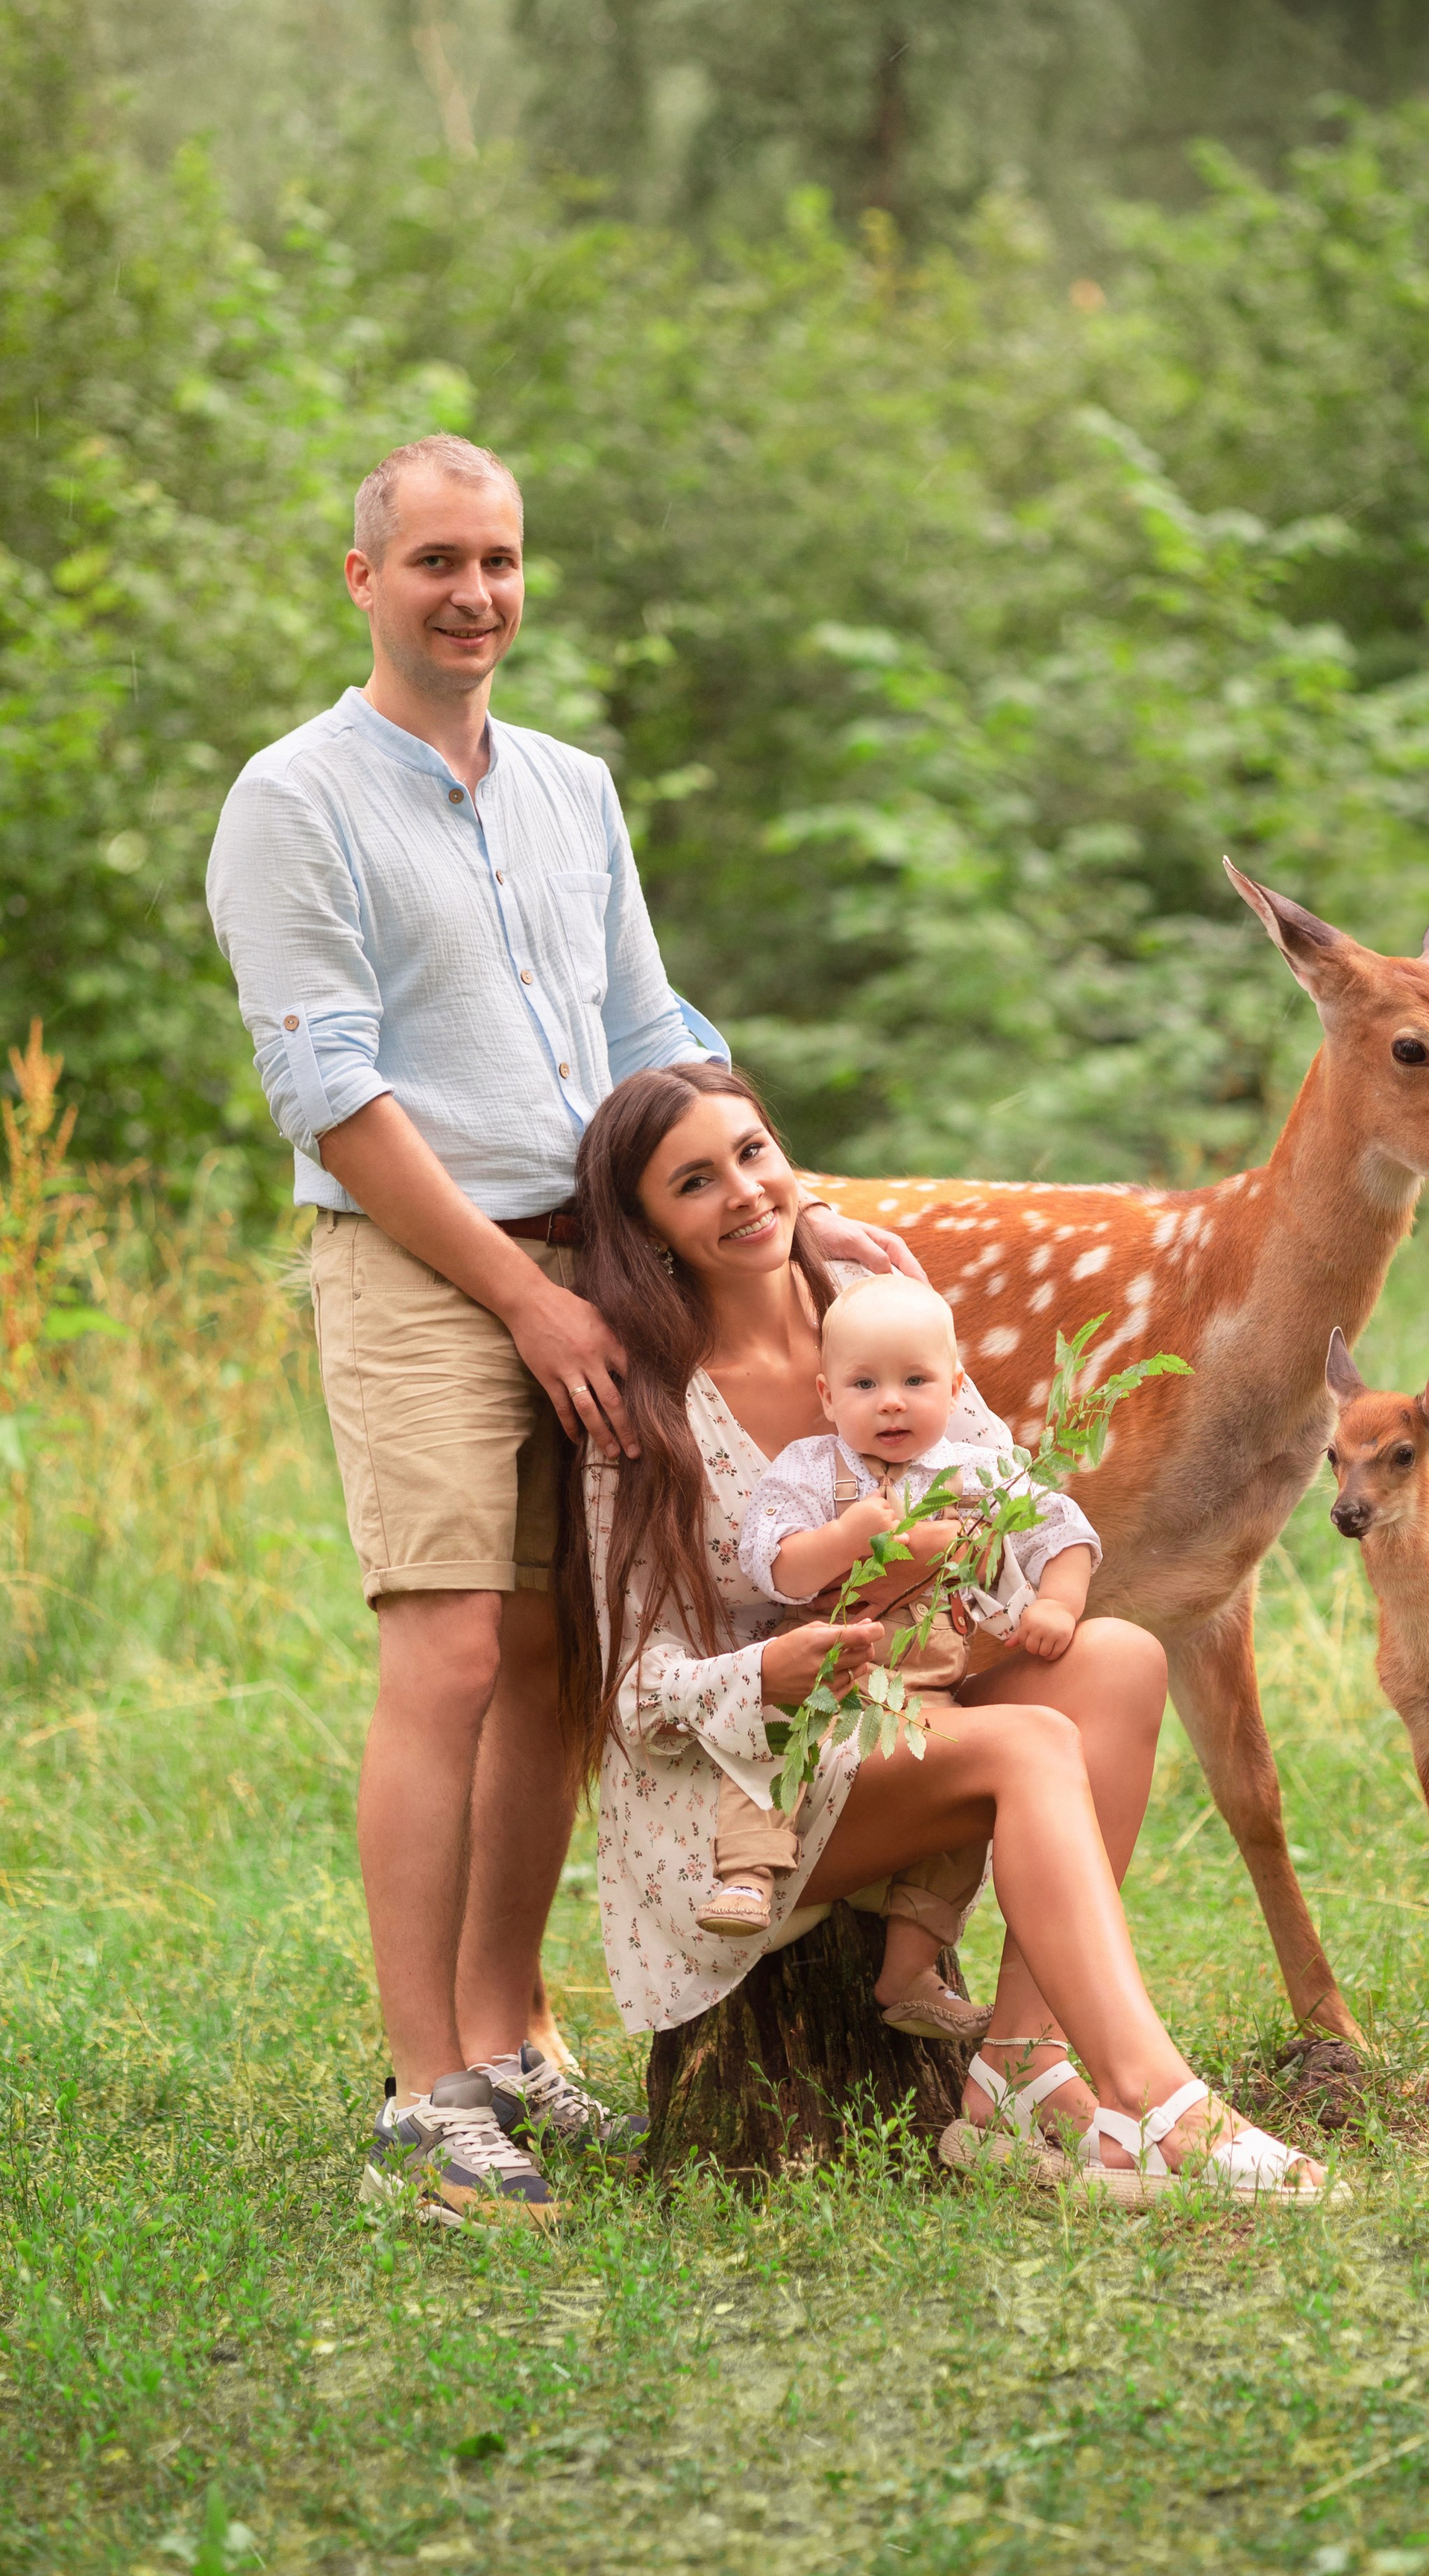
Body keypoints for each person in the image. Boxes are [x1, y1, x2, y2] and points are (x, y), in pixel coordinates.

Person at [204, 432, 922, 2229]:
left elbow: (650, 1028)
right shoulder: (293, 800)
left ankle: (507, 2034)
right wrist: (521, 1298)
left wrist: (791, 1205)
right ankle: (423, 2087)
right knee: (451, 1647)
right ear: (363, 578)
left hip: (599, 1264)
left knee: (554, 1662)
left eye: (501, 560)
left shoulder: (569, 788)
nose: (476, 594)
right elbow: (332, 1095)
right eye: (437, 560)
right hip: (423, 1263)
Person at [561, 1060, 1336, 2202]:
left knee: (1118, 1657)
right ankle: (1158, 2095)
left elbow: (1020, 1506)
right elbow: (635, 1690)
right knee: (1029, 1743)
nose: (743, 1191)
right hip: (737, 1795)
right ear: (648, 1230)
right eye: (693, 1182)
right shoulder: (651, 1402)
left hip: (901, 1712)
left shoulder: (879, 1325)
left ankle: (1018, 2069)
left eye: (753, 1152)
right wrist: (767, 1668)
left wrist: (985, 1574)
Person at [698, 1272, 1099, 2050]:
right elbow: (775, 1567)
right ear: (827, 1396)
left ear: (955, 1387)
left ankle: (910, 1970)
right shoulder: (809, 1469)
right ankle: (746, 1874)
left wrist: (1057, 1602)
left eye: (915, 1381)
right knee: (767, 1738)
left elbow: (1063, 1529)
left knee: (964, 1813)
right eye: (864, 1384)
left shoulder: (980, 1473)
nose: (890, 1403)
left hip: (927, 1695)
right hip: (827, 1676)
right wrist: (844, 1539)